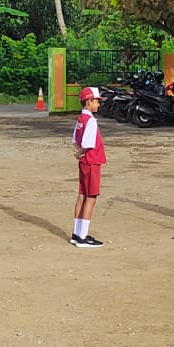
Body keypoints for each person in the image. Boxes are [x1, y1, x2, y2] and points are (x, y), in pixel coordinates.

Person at [71, 86, 106, 249]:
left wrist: (78, 152)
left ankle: (77, 233)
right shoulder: (91, 120)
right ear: (88, 102)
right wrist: (81, 152)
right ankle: (83, 237)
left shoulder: (80, 119)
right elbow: (87, 143)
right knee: (91, 197)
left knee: (82, 195)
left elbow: (75, 140)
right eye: (96, 101)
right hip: (92, 160)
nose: (98, 104)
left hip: (84, 161)